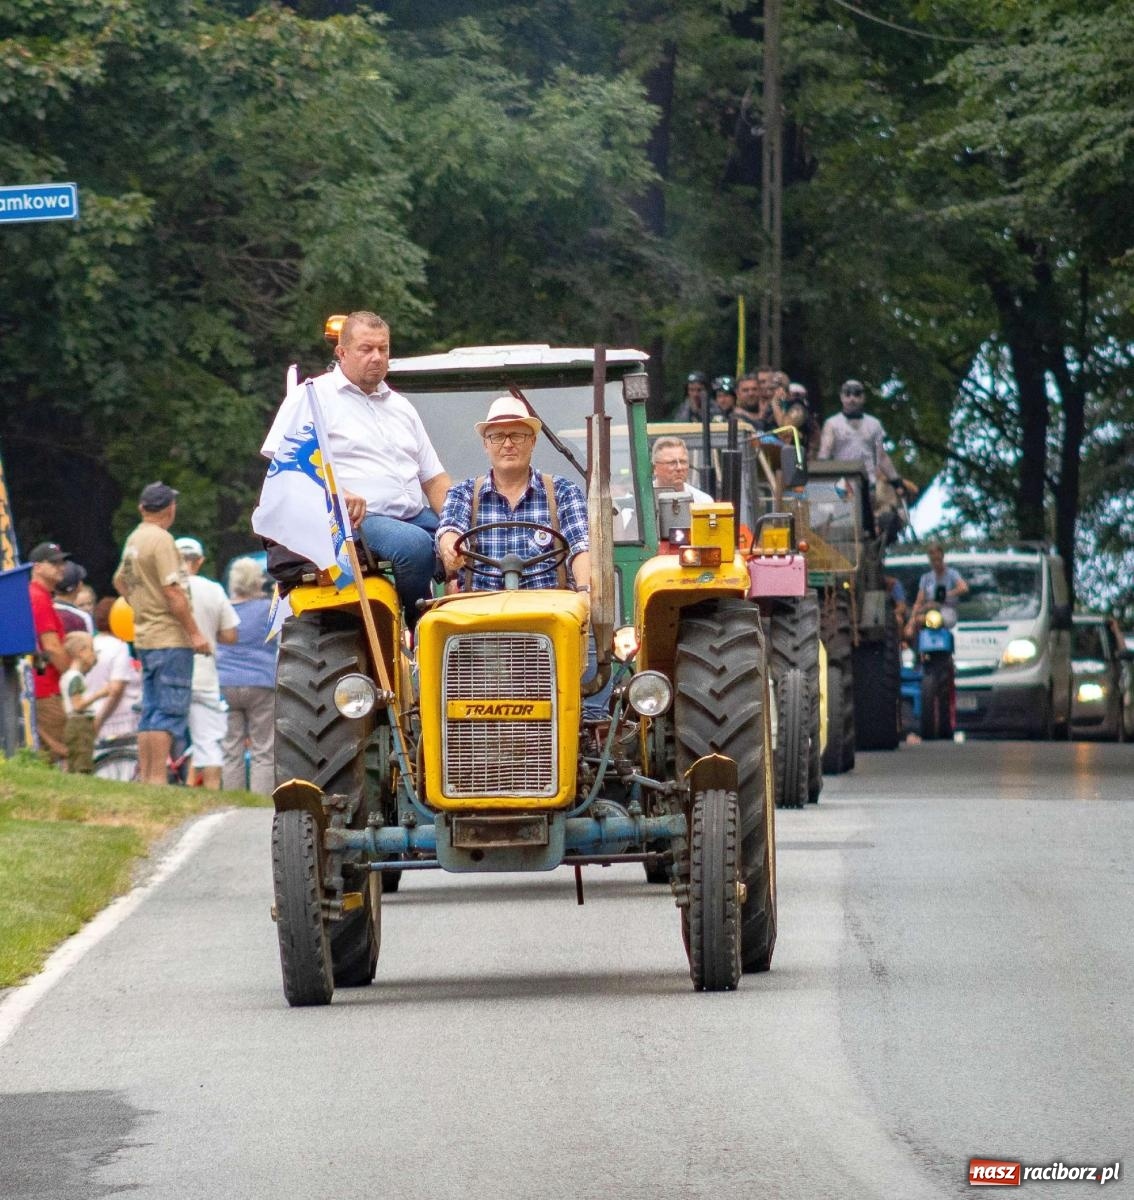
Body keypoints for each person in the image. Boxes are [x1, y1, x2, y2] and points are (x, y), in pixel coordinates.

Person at [261, 311, 451, 625]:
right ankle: (420, 627)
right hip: (356, 520)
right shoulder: (310, 397)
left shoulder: (401, 406)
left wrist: (460, 520)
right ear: (342, 352)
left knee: (473, 544)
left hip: (413, 513)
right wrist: (338, 492)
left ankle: (473, 633)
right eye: (366, 349)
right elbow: (286, 466)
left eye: (384, 349)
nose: (377, 357)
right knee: (414, 547)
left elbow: (433, 478)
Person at [436, 396, 590, 592]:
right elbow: (450, 529)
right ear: (486, 445)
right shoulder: (463, 493)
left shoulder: (564, 492)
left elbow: (580, 547)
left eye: (517, 435)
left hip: (548, 612)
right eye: (498, 436)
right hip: (479, 613)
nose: (508, 444)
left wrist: (585, 590)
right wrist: (452, 549)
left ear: (532, 442)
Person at [113, 482, 211, 786]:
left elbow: (119, 582)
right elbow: (173, 591)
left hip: (145, 637)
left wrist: (141, 606)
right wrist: (194, 633)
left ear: (142, 508)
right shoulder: (162, 540)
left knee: (150, 710)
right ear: (170, 509)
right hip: (170, 638)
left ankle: (147, 777)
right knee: (167, 712)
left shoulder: (135, 539)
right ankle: (157, 779)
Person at [817, 379, 919, 541]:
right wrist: (823, 479)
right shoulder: (833, 423)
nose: (852, 399)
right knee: (845, 521)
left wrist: (896, 480)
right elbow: (824, 453)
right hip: (842, 481)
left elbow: (882, 456)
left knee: (868, 524)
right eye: (848, 394)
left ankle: (869, 545)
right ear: (842, 397)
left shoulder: (874, 424)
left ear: (863, 398)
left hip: (868, 483)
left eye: (857, 394)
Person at [176, 537, 239, 790]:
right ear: (199, 561)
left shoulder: (165, 587)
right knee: (209, 740)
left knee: (163, 725)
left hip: (171, 667)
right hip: (204, 673)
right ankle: (211, 796)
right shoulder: (213, 590)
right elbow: (231, 635)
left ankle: (157, 783)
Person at [217, 557, 277, 795]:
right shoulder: (267, 609)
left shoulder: (223, 608)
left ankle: (234, 803)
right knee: (264, 748)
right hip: (262, 682)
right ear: (257, 581)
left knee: (231, 748)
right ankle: (260, 804)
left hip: (225, 682)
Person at [28, 542, 73, 765]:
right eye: (54, 562)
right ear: (36, 567)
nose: (61, 566)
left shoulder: (39, 595)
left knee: (49, 754)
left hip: (41, 685)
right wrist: (73, 674)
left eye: (62, 561)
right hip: (45, 688)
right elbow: (52, 646)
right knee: (61, 752)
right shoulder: (38, 597)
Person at [90, 596, 142, 744]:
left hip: (93, 715)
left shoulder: (89, 644)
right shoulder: (120, 647)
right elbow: (116, 689)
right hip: (120, 721)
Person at [58, 631, 109, 775]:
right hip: (80, 723)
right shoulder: (76, 678)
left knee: (74, 759)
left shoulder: (67, 676)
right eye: (92, 649)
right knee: (83, 760)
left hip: (72, 721)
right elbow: (78, 705)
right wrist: (100, 694)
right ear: (81, 652)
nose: (94, 654)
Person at [909, 543, 968, 635]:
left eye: (938, 559)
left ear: (942, 557)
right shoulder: (926, 578)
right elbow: (919, 602)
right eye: (933, 560)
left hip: (947, 612)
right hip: (928, 612)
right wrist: (911, 621)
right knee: (917, 623)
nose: (936, 563)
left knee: (936, 620)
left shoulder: (952, 574)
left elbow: (963, 588)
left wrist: (943, 595)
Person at [651, 436, 713, 504]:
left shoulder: (703, 501)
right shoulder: (643, 502)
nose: (679, 468)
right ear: (655, 468)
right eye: (672, 463)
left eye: (683, 462)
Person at [54, 561, 95, 634]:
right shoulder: (82, 617)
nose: (87, 608)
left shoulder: (44, 609)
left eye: (89, 603)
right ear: (79, 585)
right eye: (81, 605)